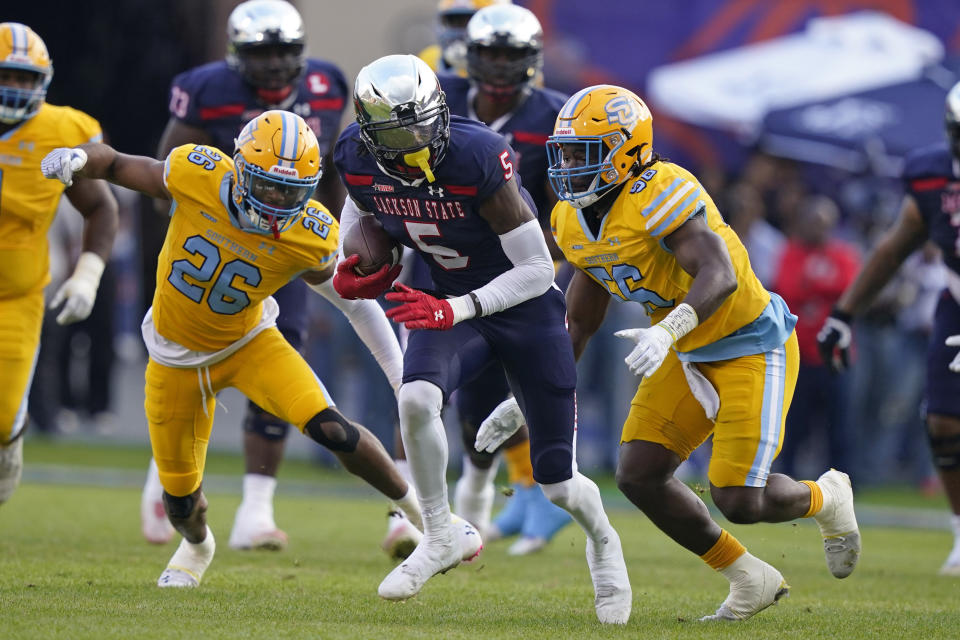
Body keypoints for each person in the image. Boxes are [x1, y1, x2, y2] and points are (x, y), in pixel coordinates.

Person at [479, 84, 861, 622]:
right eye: (564, 151)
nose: (566, 164)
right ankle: (747, 576)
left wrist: (668, 329)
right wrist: (529, 398)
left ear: (627, 149)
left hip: (749, 344)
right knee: (639, 474)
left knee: (738, 498)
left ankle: (827, 498)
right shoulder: (570, 217)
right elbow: (579, 321)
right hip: (681, 349)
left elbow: (720, 275)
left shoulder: (663, 188)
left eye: (582, 153)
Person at [40, 109, 432, 588]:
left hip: (250, 344)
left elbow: (355, 304)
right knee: (181, 502)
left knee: (334, 430)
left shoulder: (309, 232)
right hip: (173, 357)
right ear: (240, 169)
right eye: (267, 185)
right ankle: (199, 544)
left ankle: (428, 517)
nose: (276, 201)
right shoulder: (196, 173)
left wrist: (398, 376)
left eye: (290, 192)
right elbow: (118, 164)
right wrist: (80, 158)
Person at [332, 54, 630, 624]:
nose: (419, 139)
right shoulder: (355, 153)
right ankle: (441, 532)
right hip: (444, 301)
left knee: (559, 482)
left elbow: (540, 269)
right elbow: (358, 203)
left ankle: (603, 542)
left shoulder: (474, 154)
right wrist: (355, 251)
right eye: (400, 131)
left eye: (424, 121)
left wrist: (456, 307)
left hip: (522, 310)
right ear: (372, 133)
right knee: (415, 398)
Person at [140, 0, 350, 551]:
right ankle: (165, 475)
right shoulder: (206, 88)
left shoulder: (328, 84)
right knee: (182, 362)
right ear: (237, 55)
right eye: (262, 52)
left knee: (289, 353)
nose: (276, 64)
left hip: (286, 245)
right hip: (214, 241)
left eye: (285, 51)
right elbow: (169, 164)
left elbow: (330, 176)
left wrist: (333, 243)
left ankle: (257, 508)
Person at [441, 3, 571, 555]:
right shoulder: (438, 100)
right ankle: (508, 495)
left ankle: (543, 494)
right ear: (470, 55)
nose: (497, 66)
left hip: (527, 272)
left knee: (529, 386)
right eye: (489, 54)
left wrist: (553, 268)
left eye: (510, 55)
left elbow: (568, 207)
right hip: (450, 266)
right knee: (471, 392)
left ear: (531, 60)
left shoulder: (555, 116)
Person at [818, 80, 960, 575]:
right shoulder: (931, 174)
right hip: (956, 300)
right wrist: (844, 313)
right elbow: (894, 247)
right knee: (942, 419)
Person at [0, 22, 119, 504]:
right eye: (9, 75)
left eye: (27, 79)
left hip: (16, 295)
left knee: (5, 411)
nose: (17, 88)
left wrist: (87, 277)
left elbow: (101, 206)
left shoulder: (62, 130)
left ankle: (10, 438)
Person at [773, 195, 859, 478]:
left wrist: (813, 287)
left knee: (839, 425)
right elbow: (787, 289)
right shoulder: (791, 252)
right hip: (799, 354)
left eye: (824, 224)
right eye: (814, 222)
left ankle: (842, 483)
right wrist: (826, 289)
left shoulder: (843, 255)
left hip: (835, 355)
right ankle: (785, 479)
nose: (818, 229)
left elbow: (851, 290)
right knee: (795, 424)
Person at [417, 0, 511, 76]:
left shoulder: (503, 63)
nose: (459, 32)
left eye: (470, 21)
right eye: (454, 22)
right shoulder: (429, 61)